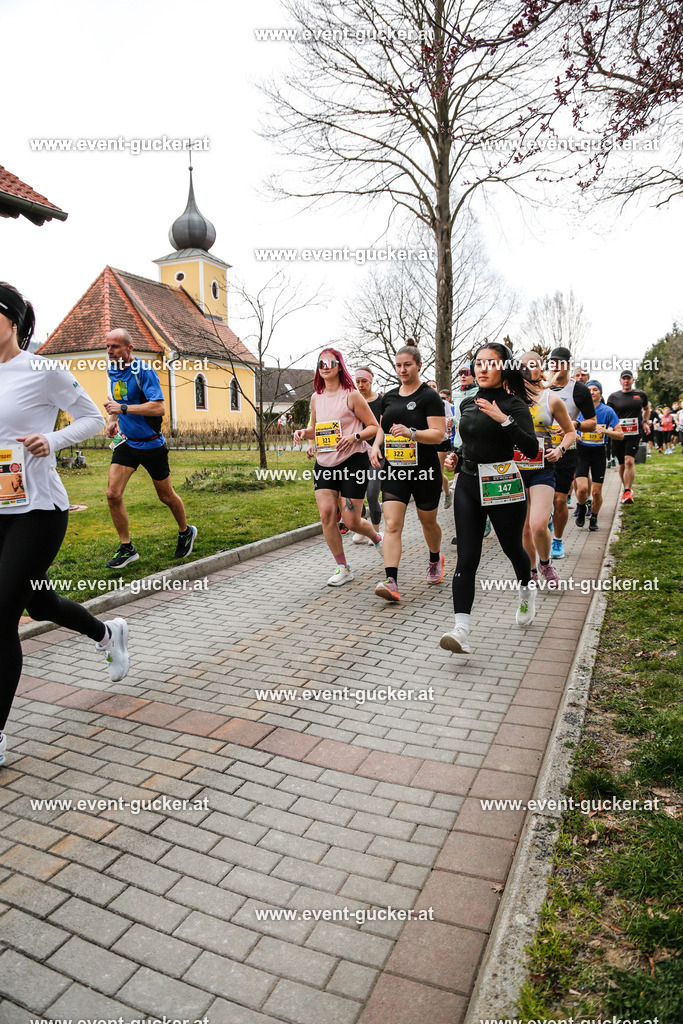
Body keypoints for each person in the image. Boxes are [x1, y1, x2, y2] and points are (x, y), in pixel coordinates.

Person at [0, 283, 130, 767]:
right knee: (39, 602)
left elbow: (92, 419)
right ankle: (107, 633)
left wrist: (50, 441)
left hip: (37, 510)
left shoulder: (42, 369)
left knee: (3, 615)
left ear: (12, 321)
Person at [439, 343, 539, 654]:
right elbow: (469, 443)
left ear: (504, 368)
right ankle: (461, 629)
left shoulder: (515, 406)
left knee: (513, 549)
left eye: (491, 363)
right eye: (478, 363)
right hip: (468, 483)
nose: (482, 369)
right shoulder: (468, 403)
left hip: (503, 485)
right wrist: (455, 458)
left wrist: (504, 420)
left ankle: (526, 592)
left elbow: (532, 449)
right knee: (467, 558)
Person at [103, 329, 197, 567]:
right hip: (127, 442)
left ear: (129, 348)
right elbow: (116, 403)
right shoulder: (113, 370)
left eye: (115, 347)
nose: (110, 351)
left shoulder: (143, 371)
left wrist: (123, 409)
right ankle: (127, 548)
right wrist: (113, 422)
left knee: (166, 496)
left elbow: (158, 408)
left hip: (152, 443)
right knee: (113, 494)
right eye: (108, 346)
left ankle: (186, 531)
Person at [293, 348, 381, 585]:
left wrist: (355, 437)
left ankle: (376, 537)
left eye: (330, 362)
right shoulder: (316, 397)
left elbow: (373, 426)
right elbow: (317, 428)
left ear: (339, 366)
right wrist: (304, 432)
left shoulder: (351, 395)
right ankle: (343, 567)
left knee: (352, 521)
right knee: (327, 516)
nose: (325, 366)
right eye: (321, 363)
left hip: (353, 460)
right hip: (325, 463)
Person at [370, 341, 445, 602]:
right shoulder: (388, 397)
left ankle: (435, 557)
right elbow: (382, 426)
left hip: (424, 470)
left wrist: (411, 433)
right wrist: (376, 447)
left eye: (407, 365)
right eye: (398, 365)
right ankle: (391, 581)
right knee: (392, 525)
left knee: (428, 522)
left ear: (419, 365)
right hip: (395, 469)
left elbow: (438, 435)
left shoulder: (429, 397)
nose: (402, 370)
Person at [518, 353, 576, 588]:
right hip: (516, 469)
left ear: (540, 370)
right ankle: (531, 570)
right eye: (522, 366)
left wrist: (560, 449)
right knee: (524, 528)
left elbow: (570, 432)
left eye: (532, 365)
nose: (527, 369)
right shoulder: (510, 398)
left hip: (543, 467)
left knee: (539, 524)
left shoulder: (551, 399)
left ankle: (545, 563)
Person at [545, 347, 597, 559]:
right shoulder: (541, 386)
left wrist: (574, 425)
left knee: (559, 500)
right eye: (552, 362)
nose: (556, 366)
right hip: (540, 450)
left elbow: (592, 423)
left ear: (568, 364)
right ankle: (545, 522)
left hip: (567, 451)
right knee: (540, 498)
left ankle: (557, 541)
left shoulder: (579, 390)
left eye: (560, 362)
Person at [574, 380, 623, 531]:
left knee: (596, 492)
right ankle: (581, 507)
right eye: (589, 390)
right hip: (582, 451)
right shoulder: (578, 410)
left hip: (598, 453)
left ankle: (594, 518)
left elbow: (620, 434)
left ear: (600, 393)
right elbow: (566, 424)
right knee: (582, 489)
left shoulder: (607, 411)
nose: (592, 392)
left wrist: (606, 431)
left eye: (595, 390)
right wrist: (574, 433)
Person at [450, 364, 490, 543]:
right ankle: (465, 531)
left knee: (478, 489)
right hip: (459, 445)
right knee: (460, 488)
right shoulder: (456, 395)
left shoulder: (479, 394)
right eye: (460, 373)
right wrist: (450, 421)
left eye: (466, 373)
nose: (463, 376)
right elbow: (458, 418)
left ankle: (485, 518)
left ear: (474, 375)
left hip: (475, 446)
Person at [606, 371, 650, 504]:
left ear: (632, 380)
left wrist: (646, 422)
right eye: (624, 379)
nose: (626, 381)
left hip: (634, 433)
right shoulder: (613, 397)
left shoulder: (640, 395)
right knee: (621, 464)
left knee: (629, 460)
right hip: (618, 434)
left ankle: (627, 490)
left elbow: (646, 409)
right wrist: (609, 427)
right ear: (620, 381)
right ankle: (625, 488)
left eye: (628, 379)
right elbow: (609, 413)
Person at [352, 367, 383, 545]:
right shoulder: (353, 401)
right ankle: (361, 525)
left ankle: (376, 531)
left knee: (372, 494)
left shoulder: (381, 401)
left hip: (376, 453)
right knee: (354, 492)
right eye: (357, 382)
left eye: (364, 381)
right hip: (357, 453)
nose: (361, 385)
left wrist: (377, 447)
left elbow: (381, 427)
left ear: (371, 381)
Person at [438, 388, 456, 510]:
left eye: (434, 386)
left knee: (438, 472)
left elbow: (450, 422)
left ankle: (447, 494)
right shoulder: (424, 401)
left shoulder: (445, 405)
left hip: (442, 440)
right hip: (426, 440)